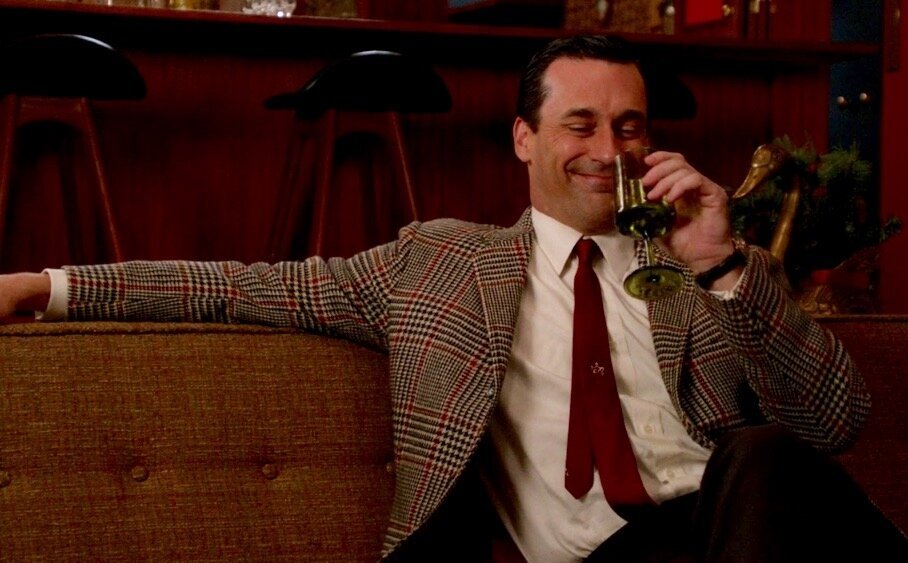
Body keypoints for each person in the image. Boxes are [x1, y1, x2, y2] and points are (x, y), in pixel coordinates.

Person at [0, 35, 905, 562]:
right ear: (523, 138)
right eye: (580, 124)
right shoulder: (440, 263)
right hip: (593, 555)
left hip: (726, 529)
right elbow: (241, 287)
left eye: (628, 126)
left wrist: (723, 264)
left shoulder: (697, 270)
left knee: (763, 454)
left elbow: (835, 420)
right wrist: (45, 286)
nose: (609, 149)